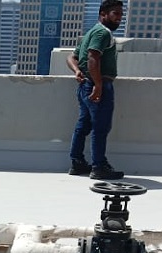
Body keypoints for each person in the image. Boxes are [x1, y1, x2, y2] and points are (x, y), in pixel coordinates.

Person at [66, 0, 124, 180]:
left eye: (121, 14)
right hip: (96, 85)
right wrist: (98, 85)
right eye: (115, 13)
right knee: (101, 127)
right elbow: (93, 58)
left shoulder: (91, 32)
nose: (119, 18)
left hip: (85, 85)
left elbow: (71, 57)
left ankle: (77, 162)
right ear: (103, 14)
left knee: (84, 125)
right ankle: (99, 166)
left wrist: (77, 71)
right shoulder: (102, 32)